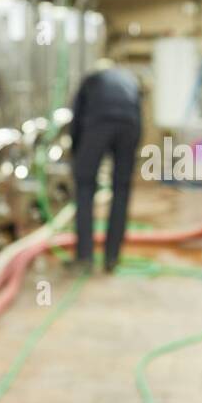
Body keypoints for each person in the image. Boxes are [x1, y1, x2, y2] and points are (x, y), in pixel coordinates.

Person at [66, 58, 142, 273]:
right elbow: (139, 115)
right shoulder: (129, 79)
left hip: (99, 123)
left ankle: (85, 257)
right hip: (130, 127)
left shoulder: (92, 79)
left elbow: (77, 118)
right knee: (121, 189)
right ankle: (112, 258)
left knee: (84, 187)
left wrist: (76, 152)